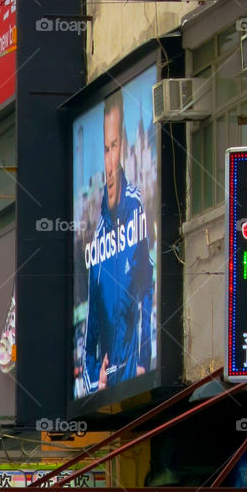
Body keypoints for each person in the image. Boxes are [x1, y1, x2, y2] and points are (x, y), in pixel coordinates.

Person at [83, 90, 152, 393]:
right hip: (109, 388)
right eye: (106, 150)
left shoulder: (137, 207)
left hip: (136, 375)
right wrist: (93, 380)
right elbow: (89, 340)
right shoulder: (97, 241)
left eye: (115, 146)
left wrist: (145, 362)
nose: (110, 162)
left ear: (123, 145)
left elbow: (149, 288)